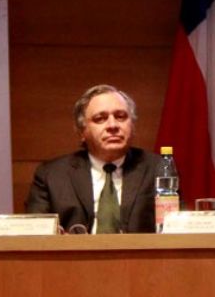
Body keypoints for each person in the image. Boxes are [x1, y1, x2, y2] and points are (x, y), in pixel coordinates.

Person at [25, 84, 159, 233]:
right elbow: (34, 234)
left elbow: (177, 227)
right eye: (100, 119)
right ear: (82, 131)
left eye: (121, 117)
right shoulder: (52, 175)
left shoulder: (158, 169)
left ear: (132, 125)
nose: (113, 125)